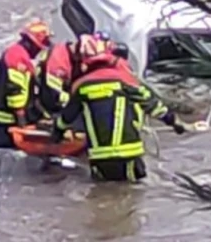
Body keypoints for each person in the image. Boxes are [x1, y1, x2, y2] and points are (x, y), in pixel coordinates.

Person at [50, 34, 188, 182]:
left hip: (100, 158)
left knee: (101, 196)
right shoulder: (127, 82)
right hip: (129, 155)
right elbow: (154, 106)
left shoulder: (81, 87)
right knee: (131, 196)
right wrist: (176, 123)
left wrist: (57, 133)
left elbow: (66, 117)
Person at [0, 19, 52, 149]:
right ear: (32, 43)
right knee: (6, 156)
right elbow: (15, 91)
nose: (38, 52)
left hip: (4, 117)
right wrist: (22, 122)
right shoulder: (17, 57)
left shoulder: (18, 54)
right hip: (1, 118)